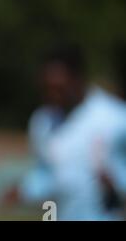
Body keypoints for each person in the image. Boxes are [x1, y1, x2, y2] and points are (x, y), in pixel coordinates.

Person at [17, 46, 126, 220]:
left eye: (59, 88)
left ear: (78, 79)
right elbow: (46, 174)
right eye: (47, 89)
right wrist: (25, 190)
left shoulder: (116, 118)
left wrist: (117, 183)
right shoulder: (43, 122)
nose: (53, 96)